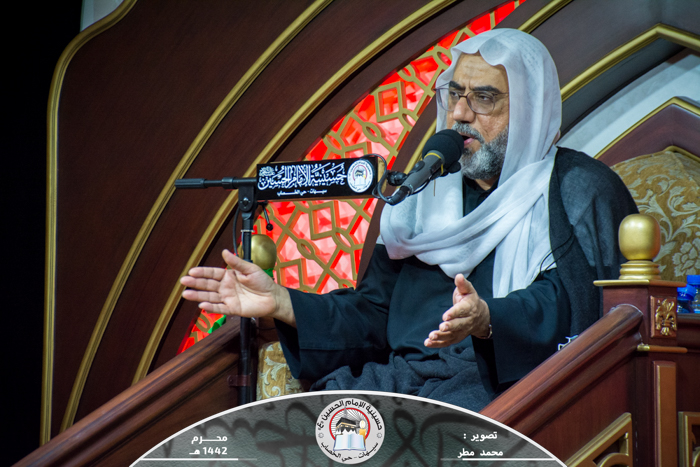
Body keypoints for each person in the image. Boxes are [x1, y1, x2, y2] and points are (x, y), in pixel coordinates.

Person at [180, 29, 637, 410]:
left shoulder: (578, 188)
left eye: (483, 98)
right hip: (402, 383)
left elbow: (579, 311)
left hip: (504, 391)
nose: (460, 114)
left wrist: (487, 319)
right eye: (455, 94)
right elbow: (374, 315)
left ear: (531, 110)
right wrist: (283, 303)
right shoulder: (424, 192)